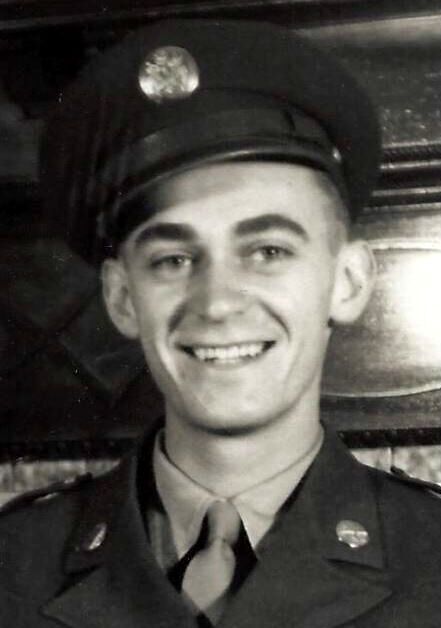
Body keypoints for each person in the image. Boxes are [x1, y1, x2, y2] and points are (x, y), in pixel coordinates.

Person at [1, 18, 441, 628]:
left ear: (347, 282)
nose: (216, 303)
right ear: (122, 298)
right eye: (173, 260)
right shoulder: (12, 566)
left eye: (268, 251)